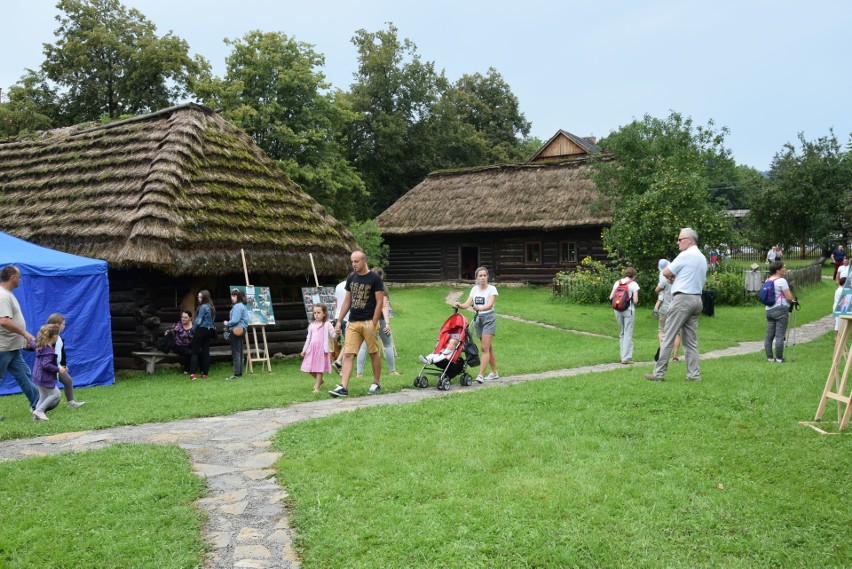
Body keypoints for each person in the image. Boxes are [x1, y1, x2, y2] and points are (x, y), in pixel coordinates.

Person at [645, 228, 708, 382]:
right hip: (697, 300)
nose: (678, 242)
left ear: (690, 240)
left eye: (680, 239)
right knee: (691, 341)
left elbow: (666, 272)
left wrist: (673, 276)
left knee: (668, 336)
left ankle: (659, 373)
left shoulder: (686, 254)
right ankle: (694, 375)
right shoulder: (701, 257)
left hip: (682, 299)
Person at [329, 251, 385, 397]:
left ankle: (376, 383)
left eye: (356, 261)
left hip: (368, 322)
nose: (353, 264)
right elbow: (347, 301)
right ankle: (344, 386)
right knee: (348, 354)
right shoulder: (351, 278)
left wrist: (374, 321)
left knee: (373, 353)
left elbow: (380, 302)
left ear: (364, 261)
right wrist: (340, 320)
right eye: (352, 261)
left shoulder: (375, 279)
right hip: (353, 321)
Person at [0, 265, 39, 419]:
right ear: (13, 277)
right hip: (2, 348)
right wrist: (25, 333)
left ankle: (39, 406)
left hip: (12, 348)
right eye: (19, 276)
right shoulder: (3, 296)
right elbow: (3, 321)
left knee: (24, 375)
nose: (20, 280)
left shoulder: (7, 294)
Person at [454, 267, 499, 383]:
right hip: (478, 319)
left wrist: (480, 308)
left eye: (485, 275)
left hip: (489, 318)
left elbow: (489, 305)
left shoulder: (492, 289)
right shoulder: (474, 289)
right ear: (477, 278)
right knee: (488, 347)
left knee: (484, 348)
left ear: (487, 277)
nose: (483, 278)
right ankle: (494, 372)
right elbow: (467, 304)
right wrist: (459, 305)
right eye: (480, 276)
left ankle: (480, 375)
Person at [356, 267, 400, 378]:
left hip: (366, 320)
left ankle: (359, 374)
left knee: (364, 346)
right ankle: (392, 371)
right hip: (379, 319)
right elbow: (384, 306)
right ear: (381, 276)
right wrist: (387, 323)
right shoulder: (382, 287)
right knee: (388, 344)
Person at [45, 314, 85, 408]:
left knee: (68, 380)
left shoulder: (59, 338)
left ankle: (71, 403)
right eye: (63, 324)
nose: (64, 326)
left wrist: (63, 365)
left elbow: (62, 352)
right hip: (49, 366)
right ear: (57, 324)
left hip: (57, 365)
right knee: (45, 388)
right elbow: (40, 348)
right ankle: (38, 406)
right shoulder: (48, 337)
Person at [763, 261, 797, 363]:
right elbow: (789, 297)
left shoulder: (768, 280)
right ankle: (778, 358)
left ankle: (769, 358)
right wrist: (793, 300)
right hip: (781, 309)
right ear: (778, 270)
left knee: (769, 335)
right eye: (783, 267)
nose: (784, 269)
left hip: (769, 310)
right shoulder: (781, 281)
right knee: (780, 335)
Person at [301, 303, 337, 393]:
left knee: (319, 368)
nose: (316, 314)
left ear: (324, 313)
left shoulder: (327, 324)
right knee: (308, 367)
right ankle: (320, 380)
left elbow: (334, 335)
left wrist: (338, 332)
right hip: (312, 349)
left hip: (321, 350)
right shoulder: (311, 325)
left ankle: (317, 388)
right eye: (314, 313)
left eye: (318, 312)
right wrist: (304, 350)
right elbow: (308, 339)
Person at [31, 323, 62, 421]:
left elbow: (32, 344)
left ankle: (36, 418)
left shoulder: (40, 346)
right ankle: (40, 411)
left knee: (43, 396)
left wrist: (29, 340)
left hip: (37, 376)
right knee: (56, 394)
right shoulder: (49, 351)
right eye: (57, 334)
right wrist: (58, 369)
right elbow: (46, 365)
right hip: (44, 378)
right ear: (54, 336)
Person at [609, 267, 640, 364]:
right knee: (628, 333)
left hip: (617, 310)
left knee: (622, 332)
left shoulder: (617, 282)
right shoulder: (633, 284)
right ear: (634, 276)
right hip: (628, 310)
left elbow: (610, 297)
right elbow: (635, 301)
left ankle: (622, 355)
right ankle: (626, 358)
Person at [653, 260, 681, 362]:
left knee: (662, 330)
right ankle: (675, 356)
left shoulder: (664, 279)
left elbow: (657, 290)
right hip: (676, 307)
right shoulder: (678, 279)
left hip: (664, 308)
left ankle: (663, 352)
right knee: (677, 332)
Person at [189, 289, 216, 380]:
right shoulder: (212, 307)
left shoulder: (203, 307)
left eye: (201, 297)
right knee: (206, 352)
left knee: (194, 351)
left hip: (201, 330)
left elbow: (198, 321)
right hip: (209, 331)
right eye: (198, 297)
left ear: (205, 297)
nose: (199, 299)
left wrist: (192, 330)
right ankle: (205, 374)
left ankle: (192, 374)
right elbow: (213, 321)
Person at [224, 289, 249, 380]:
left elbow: (235, 320)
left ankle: (236, 374)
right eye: (232, 295)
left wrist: (227, 323)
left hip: (235, 330)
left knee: (236, 353)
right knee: (240, 352)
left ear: (238, 297)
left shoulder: (237, 306)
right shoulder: (243, 306)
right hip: (242, 330)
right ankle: (240, 373)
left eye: (234, 296)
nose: (232, 298)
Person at [331, 271, 351, 375]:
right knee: (349, 343)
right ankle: (339, 363)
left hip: (337, 317)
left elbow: (336, 304)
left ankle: (339, 366)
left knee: (341, 342)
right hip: (347, 317)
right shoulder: (352, 286)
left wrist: (336, 319)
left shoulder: (339, 285)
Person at [167, 310, 194, 374]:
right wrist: (167, 331)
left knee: (196, 351)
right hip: (178, 345)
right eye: (182, 317)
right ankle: (186, 371)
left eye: (185, 317)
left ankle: (197, 369)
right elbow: (171, 331)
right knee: (188, 352)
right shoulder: (178, 325)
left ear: (190, 318)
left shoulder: (194, 326)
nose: (183, 319)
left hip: (190, 345)